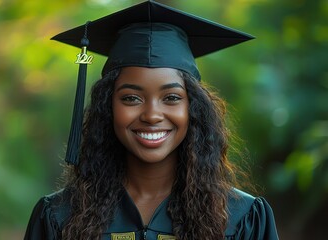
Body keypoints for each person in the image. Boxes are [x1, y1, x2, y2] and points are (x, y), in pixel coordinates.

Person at [24, 1, 279, 239]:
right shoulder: (60, 216)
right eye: (131, 98)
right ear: (107, 107)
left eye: (171, 97)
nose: (152, 115)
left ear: (193, 108)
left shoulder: (242, 218)